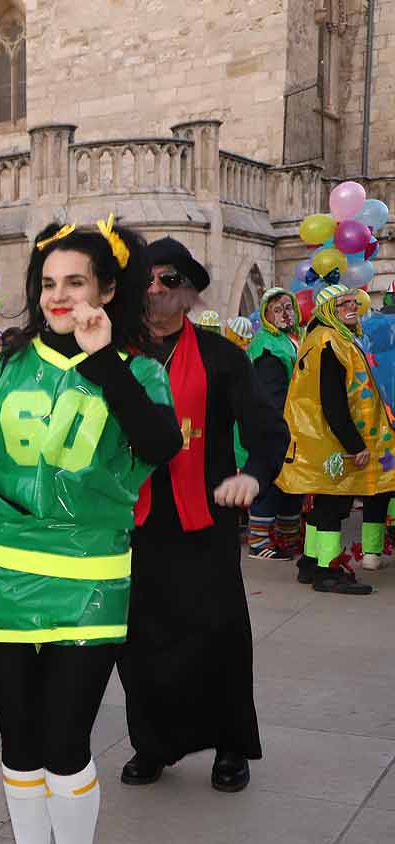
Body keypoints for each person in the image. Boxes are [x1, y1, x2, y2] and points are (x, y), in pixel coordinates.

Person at [0, 218, 181, 844]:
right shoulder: (9, 363)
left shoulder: (137, 370)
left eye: (75, 282)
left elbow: (160, 445)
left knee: (66, 743)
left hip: (90, 580)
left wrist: (101, 363)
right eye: (48, 283)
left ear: (108, 291)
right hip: (8, 579)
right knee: (19, 746)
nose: (58, 296)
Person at [119, 238, 289, 795]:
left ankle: (230, 746)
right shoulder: (115, 357)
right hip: (134, 520)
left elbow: (268, 431)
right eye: (145, 278)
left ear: (189, 293)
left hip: (204, 519)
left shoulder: (222, 358)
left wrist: (254, 476)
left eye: (167, 280)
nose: (154, 288)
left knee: (217, 635)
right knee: (141, 639)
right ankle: (153, 743)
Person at [276, 283, 395, 595]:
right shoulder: (330, 341)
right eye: (343, 304)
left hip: (323, 439)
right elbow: (332, 400)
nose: (352, 307)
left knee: (324, 502)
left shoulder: (324, 336)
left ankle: (311, 561)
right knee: (333, 504)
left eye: (353, 302)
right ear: (329, 310)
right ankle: (328, 571)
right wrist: (355, 445)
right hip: (332, 441)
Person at [243, 288, 305, 560]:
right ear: (266, 314)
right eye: (278, 310)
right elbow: (271, 394)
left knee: (292, 481)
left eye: (288, 308)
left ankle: (288, 537)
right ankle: (259, 541)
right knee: (272, 479)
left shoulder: (292, 339)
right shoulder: (268, 346)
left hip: (295, 422)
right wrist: (283, 426)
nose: (285, 314)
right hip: (274, 423)